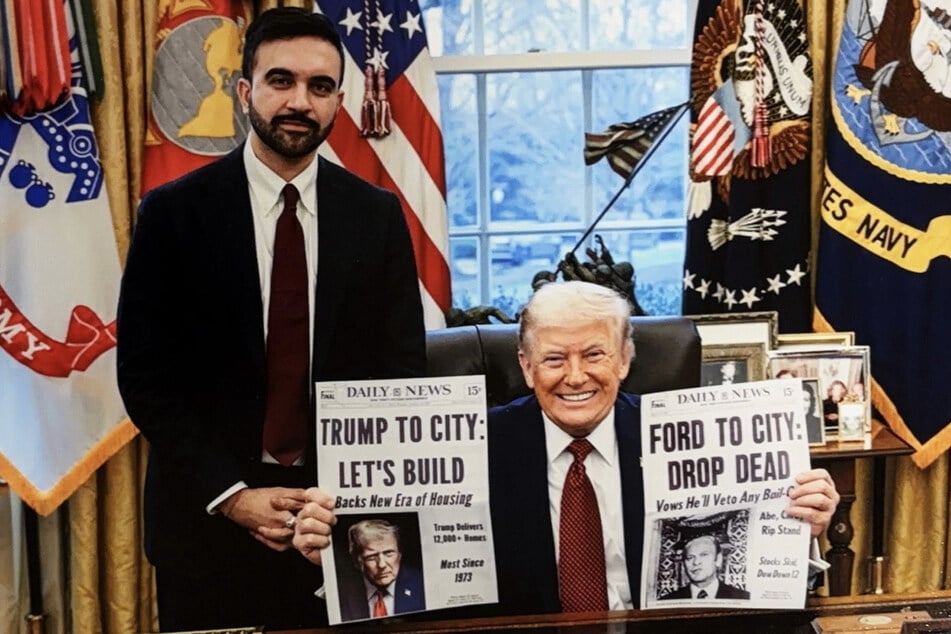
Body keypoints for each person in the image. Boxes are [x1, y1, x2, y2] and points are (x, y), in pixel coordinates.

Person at [116, 7, 425, 630]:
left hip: (336, 524)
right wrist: (234, 497)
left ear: (339, 100)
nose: (299, 102)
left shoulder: (378, 217)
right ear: (244, 91)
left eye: (319, 87)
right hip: (206, 525)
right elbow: (147, 379)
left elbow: (398, 371)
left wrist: (338, 499)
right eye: (280, 81)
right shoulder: (172, 215)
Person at [338, 519, 426, 621]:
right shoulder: (340, 593)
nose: (381, 565)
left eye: (388, 553)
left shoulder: (423, 585)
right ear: (357, 561)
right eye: (371, 557)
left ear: (400, 554)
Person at [658, 534, 750, 600]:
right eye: (690, 557)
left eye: (704, 555)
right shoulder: (668, 600)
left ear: (718, 559)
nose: (696, 562)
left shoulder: (743, 598)